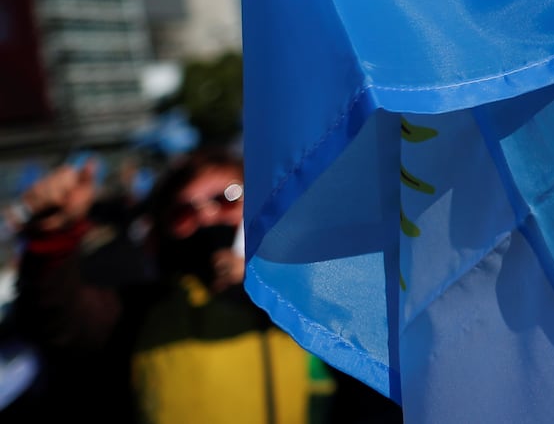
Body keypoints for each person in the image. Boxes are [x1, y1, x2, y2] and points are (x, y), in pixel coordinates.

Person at [7, 151, 354, 423]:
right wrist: (52, 235)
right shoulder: (141, 310)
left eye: (227, 198)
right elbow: (59, 321)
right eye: (184, 212)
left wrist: (268, 286)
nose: (205, 217)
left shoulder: (311, 296)